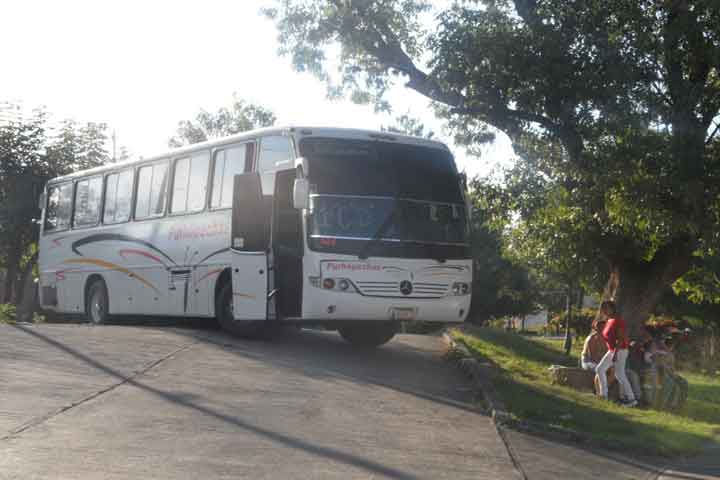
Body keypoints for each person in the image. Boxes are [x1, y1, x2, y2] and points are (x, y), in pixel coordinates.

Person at [596, 300, 638, 407]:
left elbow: (620, 339)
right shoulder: (609, 320)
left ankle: (631, 399)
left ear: (612, 309)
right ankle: (604, 395)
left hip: (619, 350)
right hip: (612, 350)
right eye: (603, 308)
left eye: (607, 308)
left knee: (620, 375)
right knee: (600, 369)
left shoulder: (618, 321)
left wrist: (615, 353)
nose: (604, 310)